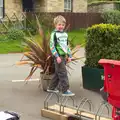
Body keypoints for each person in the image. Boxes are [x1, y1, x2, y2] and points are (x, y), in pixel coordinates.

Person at [47, 15, 75, 96]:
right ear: (55, 25)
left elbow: (66, 46)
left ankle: (51, 88)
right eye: (59, 24)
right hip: (58, 57)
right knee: (63, 73)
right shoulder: (54, 34)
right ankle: (65, 90)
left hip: (63, 56)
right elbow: (52, 46)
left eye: (63, 25)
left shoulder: (65, 34)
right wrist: (57, 56)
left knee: (58, 72)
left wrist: (69, 56)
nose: (61, 26)